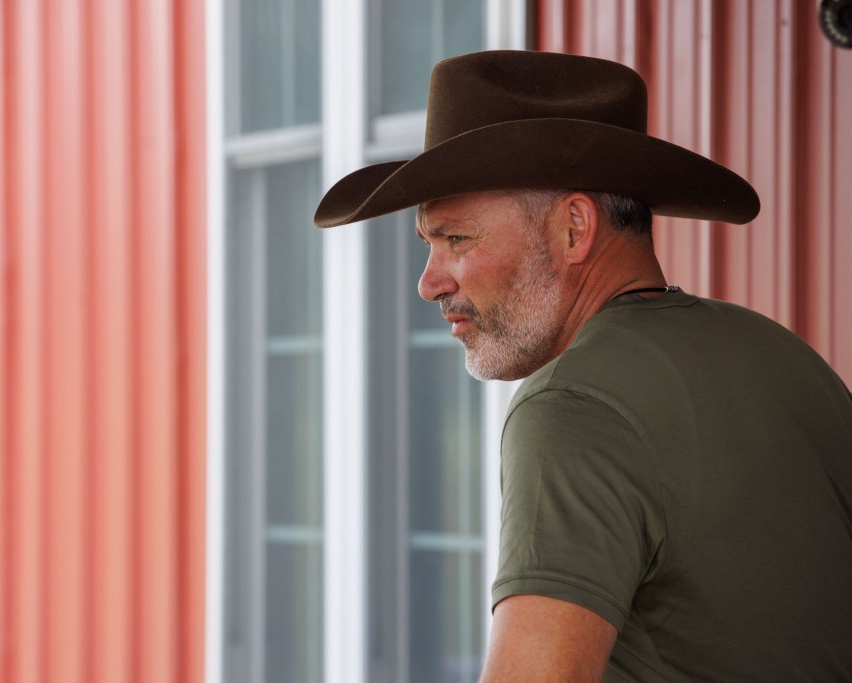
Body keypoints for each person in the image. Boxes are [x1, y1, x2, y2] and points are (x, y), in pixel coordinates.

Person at [314, 50, 852, 681]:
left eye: (456, 239)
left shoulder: (571, 405)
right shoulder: (786, 359)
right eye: (430, 244)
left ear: (574, 228)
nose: (430, 283)